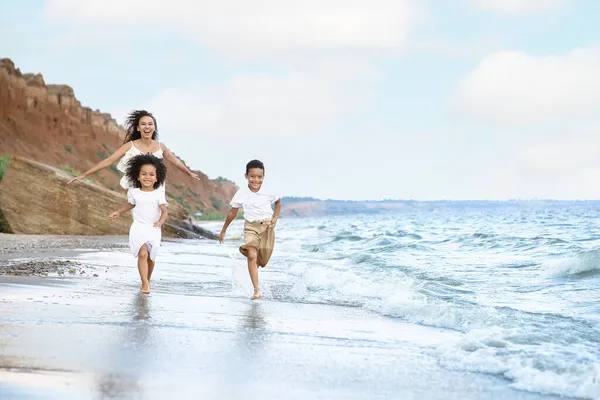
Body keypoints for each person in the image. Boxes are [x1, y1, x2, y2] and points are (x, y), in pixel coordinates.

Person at [67, 109, 200, 189]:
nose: (147, 127)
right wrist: (84, 175)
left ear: (154, 127)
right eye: (143, 124)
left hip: (156, 187)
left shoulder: (160, 147)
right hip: (136, 188)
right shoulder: (130, 146)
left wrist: (189, 173)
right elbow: (108, 161)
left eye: (150, 124)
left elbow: (175, 161)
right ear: (138, 128)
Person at [218, 159, 281, 300]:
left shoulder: (269, 191)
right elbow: (232, 213)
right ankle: (256, 290)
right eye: (252, 176)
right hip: (250, 227)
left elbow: (278, 203)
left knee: (262, 261)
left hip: (267, 228)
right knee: (252, 254)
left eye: (259, 177)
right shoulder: (242, 193)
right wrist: (223, 231)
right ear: (246, 176)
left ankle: (252, 269)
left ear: (263, 177)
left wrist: (275, 218)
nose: (256, 180)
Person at [109, 154, 168, 294]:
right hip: (138, 227)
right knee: (142, 254)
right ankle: (144, 283)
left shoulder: (159, 194)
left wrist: (160, 222)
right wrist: (118, 212)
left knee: (151, 257)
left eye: (151, 174)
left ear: (157, 177)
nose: (147, 177)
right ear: (138, 176)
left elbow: (165, 212)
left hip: (153, 228)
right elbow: (130, 205)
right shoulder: (134, 192)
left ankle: (147, 279)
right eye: (144, 174)